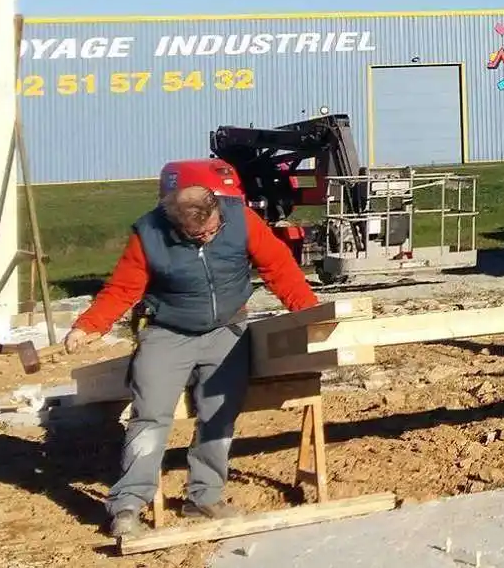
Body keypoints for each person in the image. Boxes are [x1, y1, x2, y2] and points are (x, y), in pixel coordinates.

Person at [62, 164, 320, 539]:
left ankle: (204, 498)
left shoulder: (242, 219)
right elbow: (121, 289)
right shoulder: (149, 234)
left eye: (213, 229)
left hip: (226, 330)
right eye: (197, 235)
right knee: (150, 416)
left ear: (218, 208)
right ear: (176, 224)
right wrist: (89, 325)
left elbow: (279, 267)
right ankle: (128, 505)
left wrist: (310, 313)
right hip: (168, 331)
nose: (207, 238)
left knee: (219, 415)